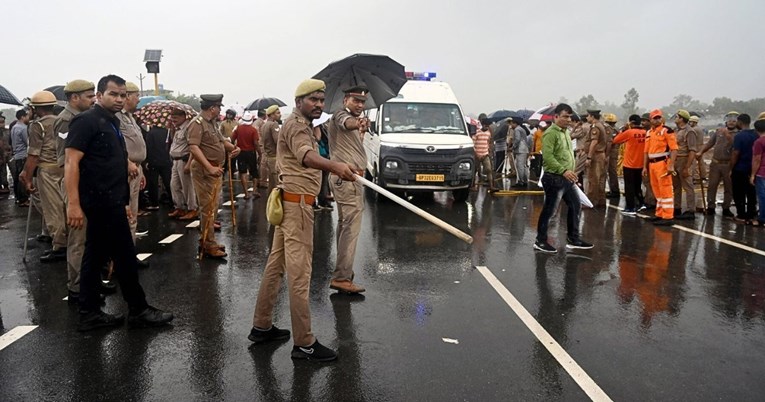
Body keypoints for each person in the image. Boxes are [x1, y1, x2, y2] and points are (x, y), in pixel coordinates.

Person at [249, 79, 356, 362]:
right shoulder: (296, 125)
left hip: (292, 203)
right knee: (300, 275)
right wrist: (335, 166)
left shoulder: (305, 126)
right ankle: (305, 343)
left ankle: (261, 326)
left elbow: (309, 151)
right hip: (297, 207)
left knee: (276, 266)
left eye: (321, 100)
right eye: (313, 100)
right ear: (299, 102)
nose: (319, 105)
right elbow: (306, 157)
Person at [65, 74, 173, 331]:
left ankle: (91, 311)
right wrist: (73, 203)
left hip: (112, 199)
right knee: (122, 254)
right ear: (99, 95)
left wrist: (124, 199)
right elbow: (71, 163)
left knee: (99, 255)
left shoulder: (112, 121)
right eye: (113, 94)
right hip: (99, 200)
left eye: (123, 95)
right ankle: (137, 309)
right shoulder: (86, 121)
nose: (119, 99)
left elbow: (110, 160)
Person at [54, 79, 102, 302]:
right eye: (89, 96)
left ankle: (90, 282)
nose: (94, 100)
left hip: (88, 184)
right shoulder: (66, 121)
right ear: (74, 98)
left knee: (91, 236)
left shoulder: (83, 118)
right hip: (76, 185)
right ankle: (77, 288)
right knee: (78, 238)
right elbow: (67, 161)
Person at [327, 85, 371, 294]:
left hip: (350, 180)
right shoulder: (340, 115)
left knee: (345, 227)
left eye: (363, 102)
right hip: (347, 179)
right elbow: (347, 123)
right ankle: (342, 277)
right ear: (345, 100)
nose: (360, 105)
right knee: (350, 229)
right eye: (356, 101)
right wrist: (358, 123)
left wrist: (361, 129)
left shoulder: (350, 118)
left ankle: (343, 274)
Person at [534, 103, 593, 253]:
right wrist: (563, 170)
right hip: (554, 177)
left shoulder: (566, 132)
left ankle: (573, 239)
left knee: (575, 206)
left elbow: (567, 154)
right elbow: (548, 157)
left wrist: (571, 173)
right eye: (564, 116)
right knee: (550, 210)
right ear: (556, 117)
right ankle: (540, 240)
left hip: (567, 177)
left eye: (569, 117)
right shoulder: (550, 134)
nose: (568, 119)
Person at [187, 94, 240, 259]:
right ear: (212, 108)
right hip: (204, 170)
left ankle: (208, 239)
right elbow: (194, 148)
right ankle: (207, 243)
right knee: (208, 208)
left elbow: (219, 140)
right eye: (218, 107)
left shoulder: (211, 123)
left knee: (212, 207)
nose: (220, 110)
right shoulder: (197, 124)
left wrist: (232, 148)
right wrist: (209, 167)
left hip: (214, 170)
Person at [20, 91, 68, 262]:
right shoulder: (61, 121)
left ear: (35, 108)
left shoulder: (37, 125)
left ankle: (60, 245)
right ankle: (65, 238)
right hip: (64, 167)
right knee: (64, 206)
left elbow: (33, 155)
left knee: (53, 209)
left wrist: (26, 177)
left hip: (47, 170)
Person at [118, 82, 148, 246]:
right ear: (127, 96)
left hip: (136, 168)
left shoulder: (130, 117)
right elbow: (116, 145)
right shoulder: (117, 117)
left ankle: (129, 251)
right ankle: (122, 256)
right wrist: (128, 162)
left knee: (133, 212)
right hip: (125, 169)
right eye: (137, 95)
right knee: (126, 213)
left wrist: (140, 169)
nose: (138, 100)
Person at [697, 112, 736, 217]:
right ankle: (711, 207)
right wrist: (701, 152)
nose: (731, 122)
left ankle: (726, 208)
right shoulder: (718, 132)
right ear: (726, 121)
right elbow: (710, 143)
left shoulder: (738, 134)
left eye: (734, 121)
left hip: (728, 164)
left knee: (729, 187)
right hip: (715, 163)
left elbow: (735, 147)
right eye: (729, 120)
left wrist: (728, 136)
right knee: (712, 186)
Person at [643, 109, 678, 226]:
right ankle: (659, 214)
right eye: (655, 118)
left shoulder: (667, 131)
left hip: (662, 163)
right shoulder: (649, 133)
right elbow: (646, 152)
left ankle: (668, 217)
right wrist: (644, 167)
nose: (657, 120)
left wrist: (671, 165)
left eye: (659, 117)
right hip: (652, 164)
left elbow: (674, 149)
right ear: (650, 120)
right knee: (657, 190)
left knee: (666, 190)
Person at [167, 107, 198, 220]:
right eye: (172, 117)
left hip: (184, 160)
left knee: (187, 187)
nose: (173, 119)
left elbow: (193, 147)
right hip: (175, 161)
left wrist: (189, 163)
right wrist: (171, 129)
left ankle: (192, 209)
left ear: (183, 117)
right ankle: (179, 207)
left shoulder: (188, 128)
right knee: (174, 185)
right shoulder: (177, 128)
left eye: (175, 117)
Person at [612, 114, 646, 215]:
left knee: (629, 187)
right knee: (637, 185)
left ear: (631, 122)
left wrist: (624, 129)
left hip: (630, 164)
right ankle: (641, 203)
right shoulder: (645, 132)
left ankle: (630, 207)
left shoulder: (629, 132)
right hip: (641, 164)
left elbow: (615, 140)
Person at [671, 110, 699, 220]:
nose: (675, 118)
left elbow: (692, 150)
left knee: (688, 186)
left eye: (677, 116)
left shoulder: (689, 131)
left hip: (684, 160)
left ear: (682, 118)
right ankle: (676, 208)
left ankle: (690, 210)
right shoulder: (676, 131)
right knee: (676, 186)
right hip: (675, 160)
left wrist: (687, 167)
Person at [730, 113, 758, 223]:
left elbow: (735, 153)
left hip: (740, 168)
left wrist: (731, 168)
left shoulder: (739, 136)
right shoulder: (756, 134)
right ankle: (751, 214)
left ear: (740, 122)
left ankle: (741, 214)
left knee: (738, 193)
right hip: (752, 168)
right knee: (751, 192)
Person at [231, 112, 261, 199]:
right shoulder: (253, 130)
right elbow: (256, 143)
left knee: (242, 172)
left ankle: (246, 193)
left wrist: (234, 148)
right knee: (254, 171)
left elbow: (232, 139)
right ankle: (255, 190)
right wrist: (259, 153)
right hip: (251, 152)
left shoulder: (238, 129)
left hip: (241, 152)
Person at [584, 110, 608, 207]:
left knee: (593, 179)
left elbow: (594, 142)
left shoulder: (595, 127)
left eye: (588, 116)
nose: (586, 118)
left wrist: (589, 157)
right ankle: (601, 201)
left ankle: (590, 202)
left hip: (596, 155)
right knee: (600, 179)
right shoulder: (601, 125)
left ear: (592, 116)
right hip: (600, 154)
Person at [10, 109, 30, 206]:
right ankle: (24, 199)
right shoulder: (23, 128)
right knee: (23, 177)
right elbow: (28, 143)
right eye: (26, 116)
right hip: (23, 155)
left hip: (17, 155)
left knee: (17, 178)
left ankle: (18, 197)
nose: (28, 117)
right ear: (22, 117)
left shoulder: (14, 127)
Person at [261, 105, 281, 193]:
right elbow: (278, 141)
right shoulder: (274, 124)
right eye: (278, 113)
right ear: (272, 115)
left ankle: (270, 203)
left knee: (271, 185)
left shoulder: (264, 125)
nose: (280, 115)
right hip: (274, 157)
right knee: (278, 183)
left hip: (267, 156)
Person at [472, 118, 497, 191]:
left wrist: (489, 152)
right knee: (475, 170)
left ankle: (491, 186)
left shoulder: (489, 133)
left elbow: (489, 143)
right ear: (482, 125)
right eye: (486, 125)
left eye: (488, 126)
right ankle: (473, 185)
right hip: (477, 154)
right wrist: (476, 154)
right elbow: (473, 144)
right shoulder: (477, 133)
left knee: (489, 170)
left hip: (485, 154)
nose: (487, 127)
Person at [749, 118, 765, 226]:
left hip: (762, 173)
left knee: (762, 196)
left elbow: (757, 159)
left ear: (756, 130)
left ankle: (762, 219)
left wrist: (752, 175)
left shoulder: (759, 142)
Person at [510, 116, 530, 187]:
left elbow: (517, 140)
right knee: (523, 166)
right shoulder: (522, 129)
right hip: (524, 149)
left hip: (520, 149)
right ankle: (525, 181)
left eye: (512, 123)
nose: (511, 125)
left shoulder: (517, 130)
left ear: (515, 123)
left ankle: (521, 181)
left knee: (520, 166)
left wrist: (513, 147)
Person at [604, 113, 621, 197]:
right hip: (615, 151)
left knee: (610, 171)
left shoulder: (609, 130)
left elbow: (609, 143)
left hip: (610, 151)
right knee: (612, 171)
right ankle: (614, 190)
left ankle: (614, 191)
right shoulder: (617, 129)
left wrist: (606, 155)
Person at [253, 109, 269, 188]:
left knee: (258, 163)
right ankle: (262, 181)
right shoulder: (262, 123)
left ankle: (258, 180)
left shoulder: (254, 122)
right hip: (261, 145)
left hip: (255, 144)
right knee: (263, 164)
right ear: (264, 115)